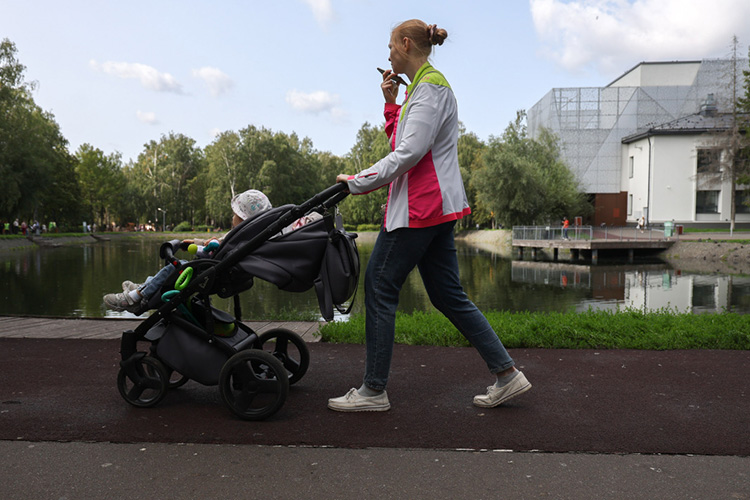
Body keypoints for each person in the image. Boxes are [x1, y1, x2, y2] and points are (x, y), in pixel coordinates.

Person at [327, 19, 531, 413]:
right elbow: (404, 141)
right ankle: (507, 375)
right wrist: (390, 105)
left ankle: (373, 390)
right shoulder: (422, 89)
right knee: (446, 294)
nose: (387, 54)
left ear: (406, 44)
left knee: (380, 286)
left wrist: (356, 181)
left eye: (390, 46)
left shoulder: (431, 88)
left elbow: (409, 154)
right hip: (436, 206)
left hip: (422, 206)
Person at [103, 189, 272, 314]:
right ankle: (145, 286)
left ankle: (132, 298)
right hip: (220, 273)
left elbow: (214, 248)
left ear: (242, 217)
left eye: (234, 213)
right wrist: (197, 242)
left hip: (211, 274)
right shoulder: (250, 237)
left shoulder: (240, 237)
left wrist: (204, 246)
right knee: (175, 269)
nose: (232, 216)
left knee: (175, 268)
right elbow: (217, 243)